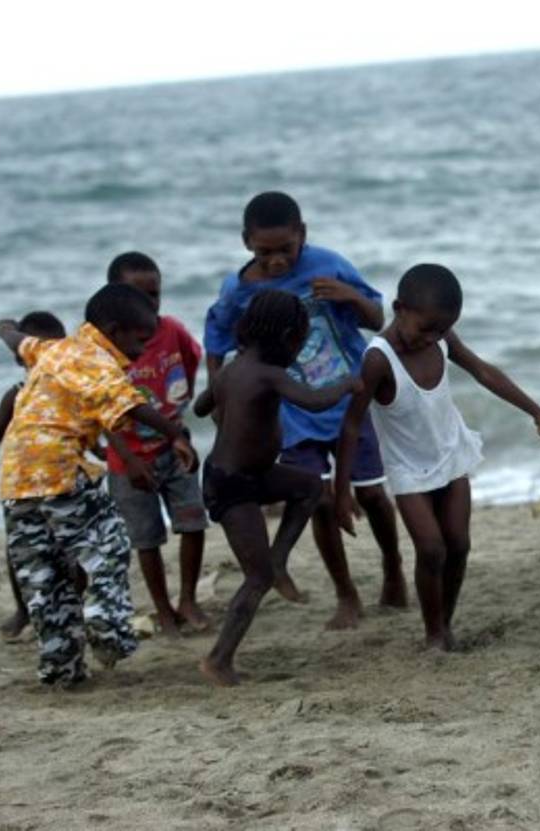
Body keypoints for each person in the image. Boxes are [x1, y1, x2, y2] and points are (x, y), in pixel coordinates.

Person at [204, 192, 407, 629]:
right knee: (317, 498)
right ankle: (346, 595)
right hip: (291, 413)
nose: (276, 260)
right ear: (246, 242)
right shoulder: (238, 290)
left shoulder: (329, 265)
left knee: (371, 494)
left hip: (351, 401)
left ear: (303, 235)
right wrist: (221, 401)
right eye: (265, 252)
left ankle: (393, 570)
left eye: (286, 250)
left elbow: (377, 318)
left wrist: (350, 295)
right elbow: (218, 344)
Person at [334, 263, 540, 651]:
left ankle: (445, 624)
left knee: (458, 545)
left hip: (452, 452)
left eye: (443, 329)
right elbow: (352, 425)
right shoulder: (378, 359)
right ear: (398, 308)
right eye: (427, 328)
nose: (434, 338)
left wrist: (536, 411)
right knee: (431, 548)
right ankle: (433, 633)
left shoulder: (439, 336)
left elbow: (483, 372)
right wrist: (342, 492)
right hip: (408, 469)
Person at [0, 284, 197, 687]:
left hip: (16, 482)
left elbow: (16, 340)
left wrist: (6, 329)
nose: (143, 352)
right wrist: (176, 432)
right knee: (109, 545)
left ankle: (61, 667)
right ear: (112, 330)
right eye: (140, 341)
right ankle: (105, 621)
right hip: (61, 471)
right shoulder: (98, 361)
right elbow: (132, 406)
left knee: (44, 577)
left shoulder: (53, 350)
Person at [194, 289, 360, 686]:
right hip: (232, 487)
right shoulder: (269, 374)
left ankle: (280, 558)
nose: (299, 350)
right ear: (286, 336)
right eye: (299, 342)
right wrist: (349, 385)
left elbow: (202, 406)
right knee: (256, 579)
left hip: (249, 474)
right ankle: (218, 660)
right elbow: (316, 402)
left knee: (310, 488)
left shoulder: (232, 369)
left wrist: (225, 406)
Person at [104, 252, 210, 635]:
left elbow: (190, 361)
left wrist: (177, 417)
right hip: (128, 461)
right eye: (139, 296)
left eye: (155, 295)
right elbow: (101, 413)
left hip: (173, 445)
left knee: (193, 520)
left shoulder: (172, 330)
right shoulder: (105, 349)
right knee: (146, 537)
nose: (149, 304)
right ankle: (163, 609)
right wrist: (129, 459)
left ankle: (188, 599)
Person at [0, 310, 67, 641]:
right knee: (19, 552)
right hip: (21, 488)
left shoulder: (69, 392)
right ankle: (23, 609)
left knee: (67, 548)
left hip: (63, 485)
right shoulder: (15, 395)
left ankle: (70, 605)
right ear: (23, 359)